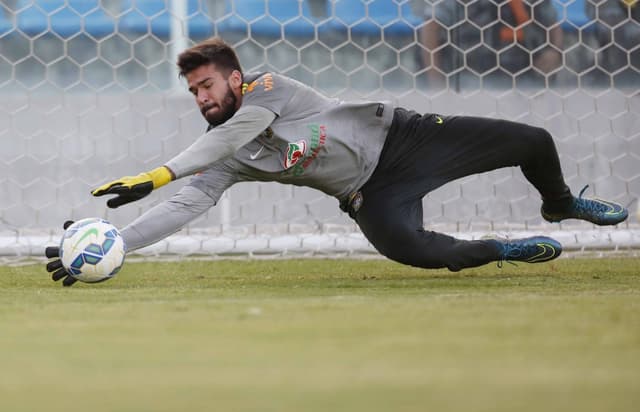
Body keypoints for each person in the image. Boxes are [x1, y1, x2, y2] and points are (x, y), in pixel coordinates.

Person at [45, 37, 628, 286]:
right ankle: (503, 250)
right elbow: (188, 203)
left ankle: (561, 204)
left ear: (236, 79)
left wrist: (159, 172)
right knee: (417, 251)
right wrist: (115, 240)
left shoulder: (269, 90)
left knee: (532, 138)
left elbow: (234, 134)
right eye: (193, 92)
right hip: (368, 194)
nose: (201, 98)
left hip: (407, 139)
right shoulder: (224, 152)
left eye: (206, 85)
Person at [420, 0, 563, 90]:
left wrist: (554, 52)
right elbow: (431, 26)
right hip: (473, 80)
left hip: (526, 78)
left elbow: (552, 24)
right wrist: (436, 82)